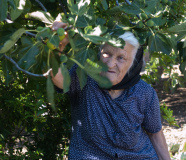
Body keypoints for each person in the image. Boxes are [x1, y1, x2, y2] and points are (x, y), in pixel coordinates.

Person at [51, 22, 171, 160]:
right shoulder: (84, 79)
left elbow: (155, 134)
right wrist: (57, 47)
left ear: (133, 64)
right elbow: (58, 77)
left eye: (121, 58)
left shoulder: (144, 93)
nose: (110, 64)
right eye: (106, 54)